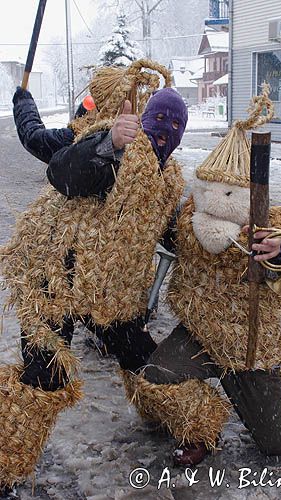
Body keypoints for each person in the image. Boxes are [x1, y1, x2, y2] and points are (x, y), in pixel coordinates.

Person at [0, 60, 187, 491]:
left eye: (174, 125)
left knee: (141, 357)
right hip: (54, 280)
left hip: (108, 293)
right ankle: (6, 462)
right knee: (46, 374)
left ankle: (183, 420)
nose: (163, 132)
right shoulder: (101, 141)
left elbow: (177, 236)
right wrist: (109, 144)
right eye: (156, 120)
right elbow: (61, 170)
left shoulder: (169, 180)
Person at [121, 88, 281, 466]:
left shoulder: (271, 227)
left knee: (275, 444)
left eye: (228, 194)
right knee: (153, 377)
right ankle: (201, 430)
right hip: (199, 336)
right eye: (208, 191)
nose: (215, 203)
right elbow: (142, 224)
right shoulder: (187, 221)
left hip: (250, 350)